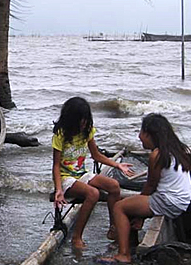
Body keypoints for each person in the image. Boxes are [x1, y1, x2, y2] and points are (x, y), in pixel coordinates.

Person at [103, 113, 191, 264]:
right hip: (182, 199)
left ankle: (124, 254)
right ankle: (131, 245)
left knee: (119, 207)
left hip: (170, 201)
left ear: (150, 134)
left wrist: (140, 211)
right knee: (131, 206)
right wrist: (139, 212)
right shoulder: (177, 149)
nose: (139, 136)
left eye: (141, 132)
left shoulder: (157, 155)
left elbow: (151, 185)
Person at [52, 97, 134, 249]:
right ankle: (76, 237)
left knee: (114, 186)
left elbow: (96, 155)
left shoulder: (87, 131)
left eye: (86, 120)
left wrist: (117, 165)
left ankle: (113, 228)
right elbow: (56, 165)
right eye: (81, 121)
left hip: (82, 174)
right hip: (66, 178)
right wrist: (58, 189)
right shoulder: (61, 135)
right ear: (71, 119)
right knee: (93, 194)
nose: (84, 124)